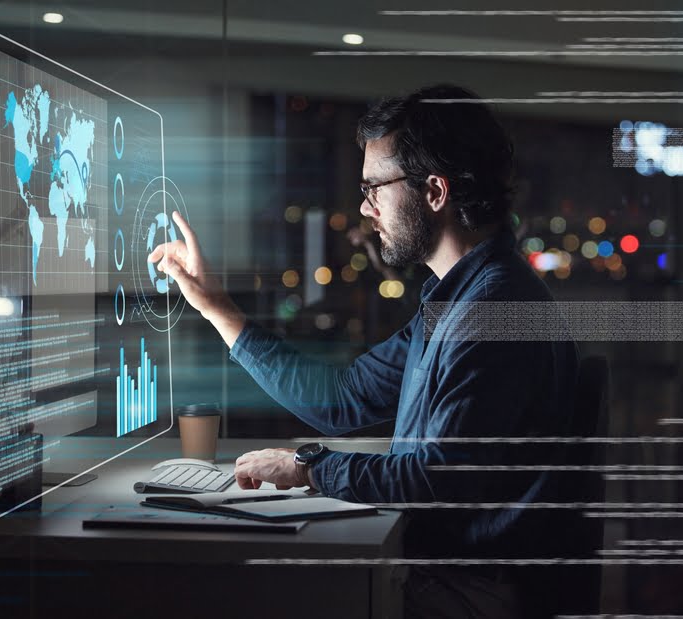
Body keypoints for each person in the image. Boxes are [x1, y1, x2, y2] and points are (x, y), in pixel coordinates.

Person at [148, 84, 580, 618]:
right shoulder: (457, 301)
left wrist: (309, 468)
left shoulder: (489, 312)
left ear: (435, 192)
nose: (364, 206)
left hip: (467, 594)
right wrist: (217, 308)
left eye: (375, 187)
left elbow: (432, 480)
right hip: (444, 573)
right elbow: (341, 400)